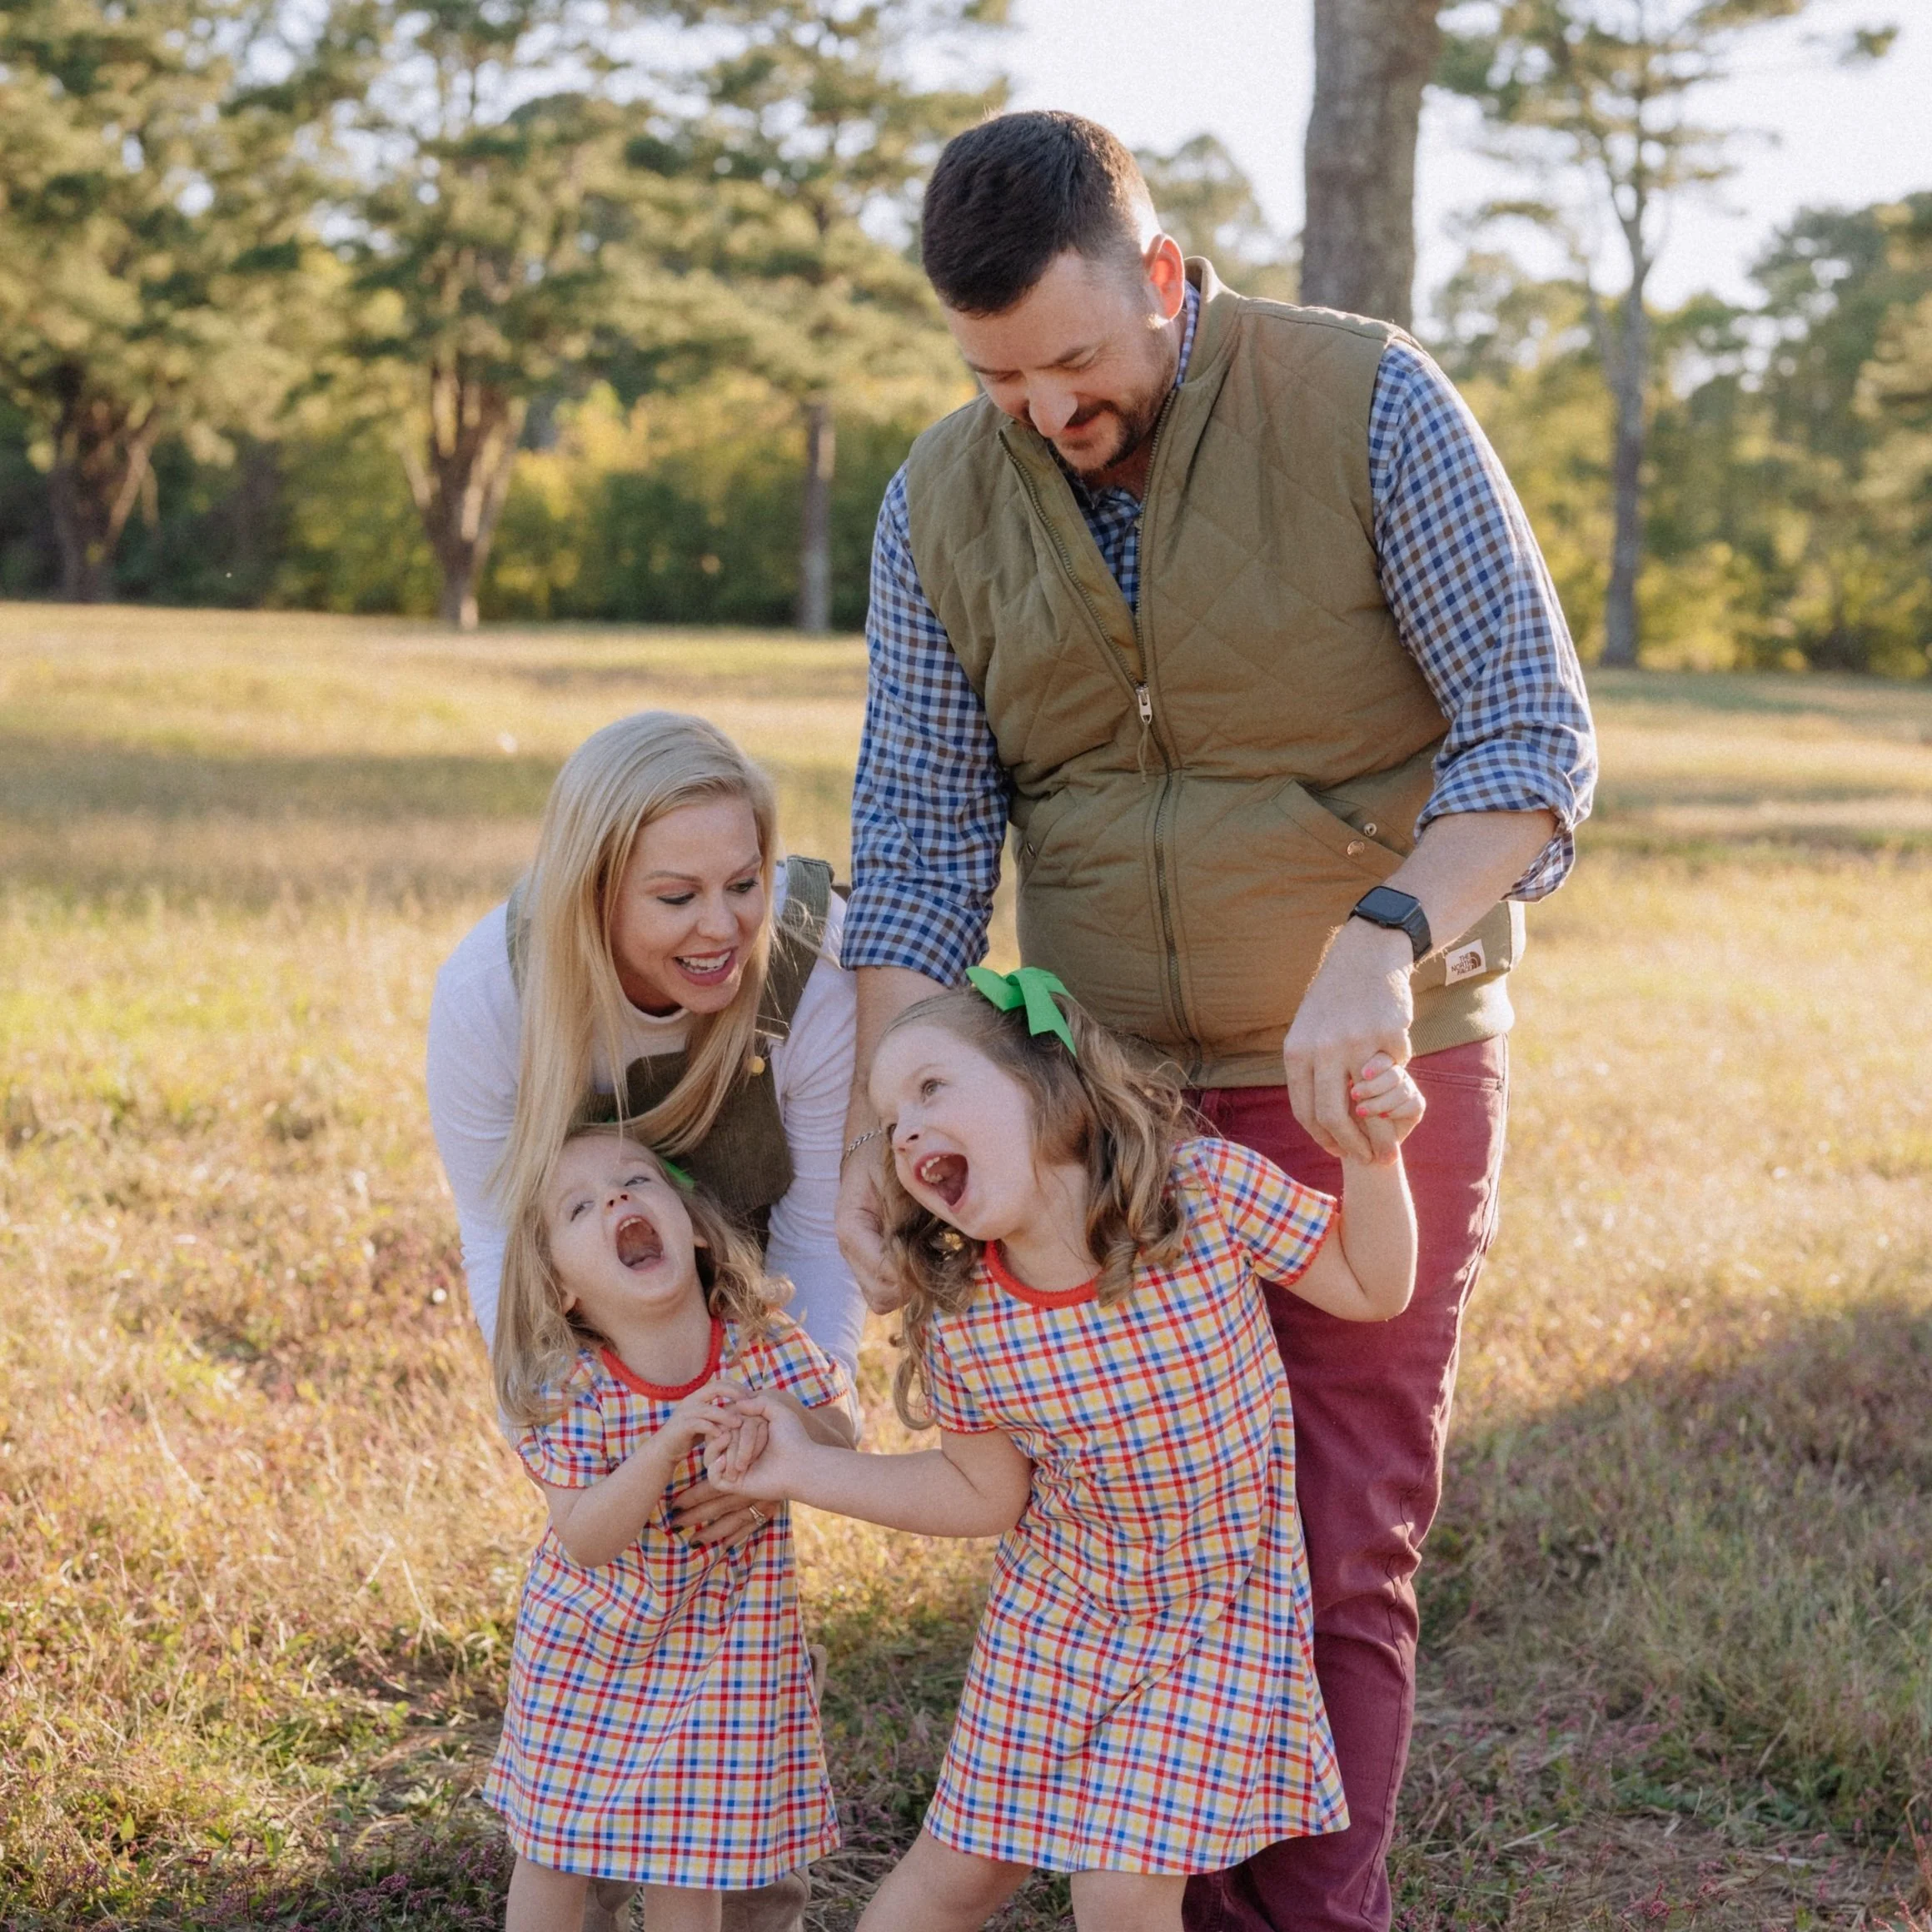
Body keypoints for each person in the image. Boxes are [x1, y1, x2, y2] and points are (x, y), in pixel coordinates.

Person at [834, 112, 1598, 1932]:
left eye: (1076, 358)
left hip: (1358, 1072)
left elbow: (1530, 741)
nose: (1041, 408)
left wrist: (1381, 938)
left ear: (1163, 279)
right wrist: (889, 1117)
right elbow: (918, 846)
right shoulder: (935, 499)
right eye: (996, 372)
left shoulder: (1367, 404)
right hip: (1095, 1100)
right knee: (1116, 1534)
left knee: (1336, 1532)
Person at [707, 972, 1425, 1932]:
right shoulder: (967, 1316)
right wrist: (800, 1467)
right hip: (1053, 1622)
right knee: (950, 1878)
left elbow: (1374, 1284)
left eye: (930, 1089)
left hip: (1213, 1620)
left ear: (1047, 1079)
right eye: (888, 1121)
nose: (905, 1133)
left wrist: (1374, 1157)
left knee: (1121, 1892)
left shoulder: (1202, 1198)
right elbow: (980, 1493)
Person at [428, 710, 863, 1931]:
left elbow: (823, 1228)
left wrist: (794, 1432)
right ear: (593, 895)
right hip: (587, 1281)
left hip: (743, 1264)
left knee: (733, 1676)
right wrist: (572, 1443)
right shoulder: (491, 995)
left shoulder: (804, 973)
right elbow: (496, 1240)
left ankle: (737, 1878)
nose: (721, 926)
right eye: (675, 896)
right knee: (580, 1768)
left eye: (744, 882)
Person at [485, 1124, 854, 1932]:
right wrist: (667, 1441)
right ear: (561, 1290)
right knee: (554, 1850)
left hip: (723, 1653)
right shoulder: (576, 1390)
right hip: (587, 1653)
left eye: (636, 1181)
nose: (616, 1198)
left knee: (695, 1858)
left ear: (690, 1226)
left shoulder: (759, 1343)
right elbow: (583, 1536)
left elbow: (842, 1430)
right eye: (580, 1206)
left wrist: (785, 1421)